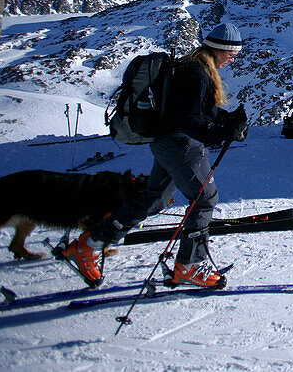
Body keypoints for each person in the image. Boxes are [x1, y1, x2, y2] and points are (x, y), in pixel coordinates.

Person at [63, 22, 249, 287]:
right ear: (218, 50)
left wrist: (226, 119)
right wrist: (221, 134)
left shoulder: (191, 67)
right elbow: (187, 120)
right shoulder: (197, 73)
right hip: (180, 145)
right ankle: (189, 266)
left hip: (168, 143)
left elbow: (193, 109)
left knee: (155, 198)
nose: (232, 60)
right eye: (231, 54)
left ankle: (90, 244)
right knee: (205, 198)